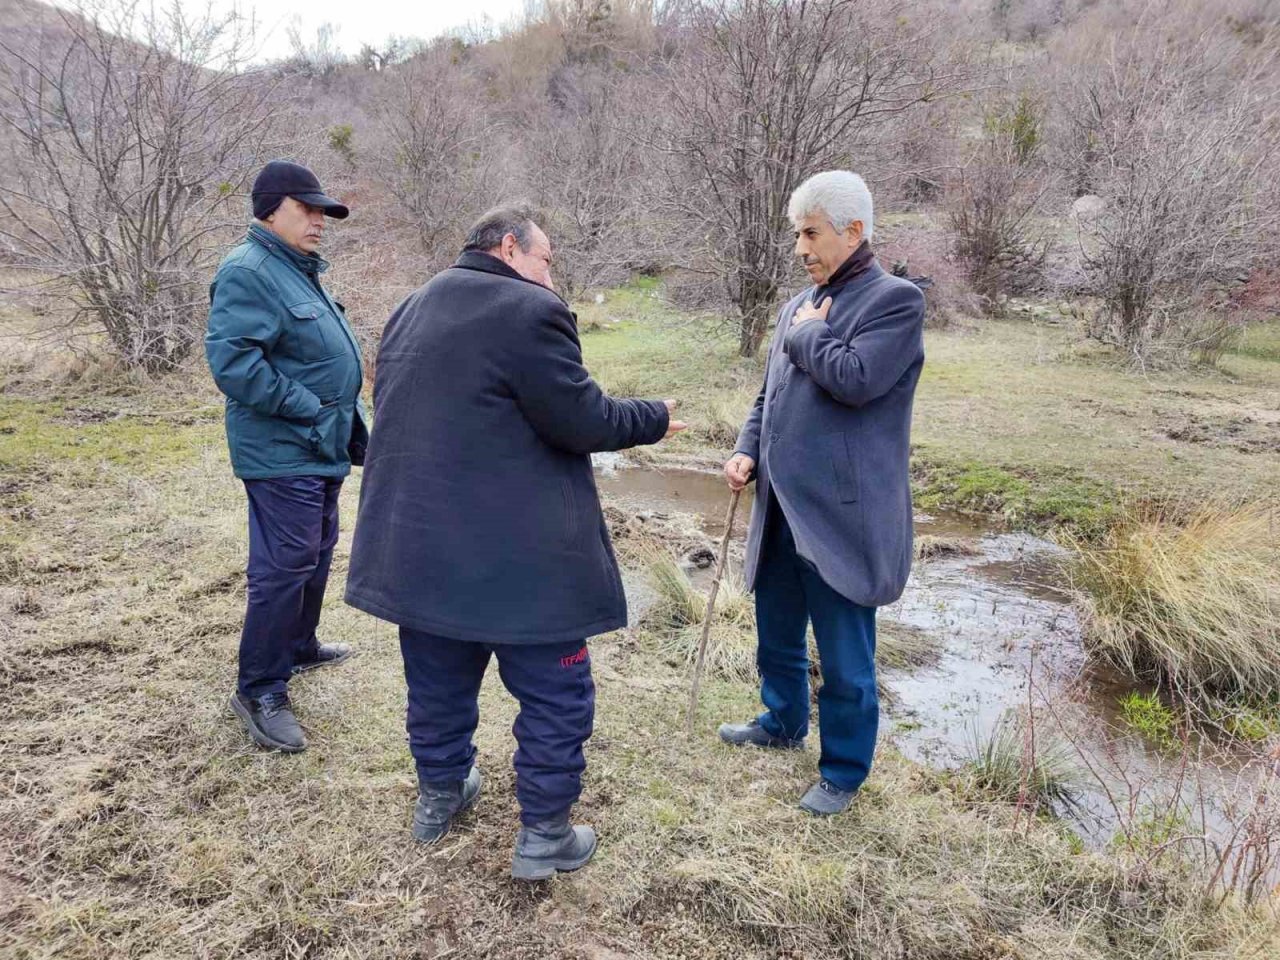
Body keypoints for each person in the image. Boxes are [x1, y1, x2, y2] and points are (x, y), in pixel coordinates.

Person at [344, 202, 686, 879]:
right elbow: (580, 419)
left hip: (419, 548)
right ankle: (545, 835)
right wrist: (652, 417)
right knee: (557, 694)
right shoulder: (530, 310)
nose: (551, 278)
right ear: (509, 248)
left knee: (436, 683)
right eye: (546, 260)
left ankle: (440, 796)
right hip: (520, 560)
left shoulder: (413, 305)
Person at [718, 170, 925, 815]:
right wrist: (747, 449)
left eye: (811, 234)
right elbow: (769, 394)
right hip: (781, 506)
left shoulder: (895, 301)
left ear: (853, 230)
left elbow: (857, 379)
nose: (800, 248)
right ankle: (781, 722)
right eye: (797, 234)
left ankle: (842, 771)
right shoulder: (797, 305)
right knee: (776, 631)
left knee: (844, 656)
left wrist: (808, 333)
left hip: (842, 517)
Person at [205, 160, 368, 754]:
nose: (319, 220)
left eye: (323, 211)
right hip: (283, 449)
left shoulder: (298, 269)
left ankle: (299, 646)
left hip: (319, 444)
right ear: (271, 209)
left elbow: (316, 355)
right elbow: (234, 365)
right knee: (284, 566)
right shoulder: (248, 270)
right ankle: (260, 689)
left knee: (316, 552)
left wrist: (348, 423)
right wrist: (310, 408)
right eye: (308, 209)